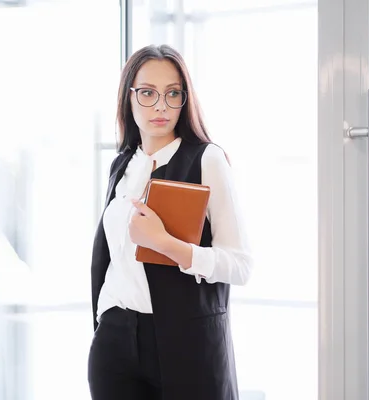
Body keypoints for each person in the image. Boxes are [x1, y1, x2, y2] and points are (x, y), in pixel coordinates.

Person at [87, 44, 253, 400]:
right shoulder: (121, 165)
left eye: (172, 93)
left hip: (187, 345)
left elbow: (240, 265)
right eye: (147, 93)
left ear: (184, 99)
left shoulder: (207, 160)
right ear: (128, 98)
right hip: (115, 339)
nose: (160, 105)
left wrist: (165, 244)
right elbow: (111, 257)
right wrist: (104, 320)